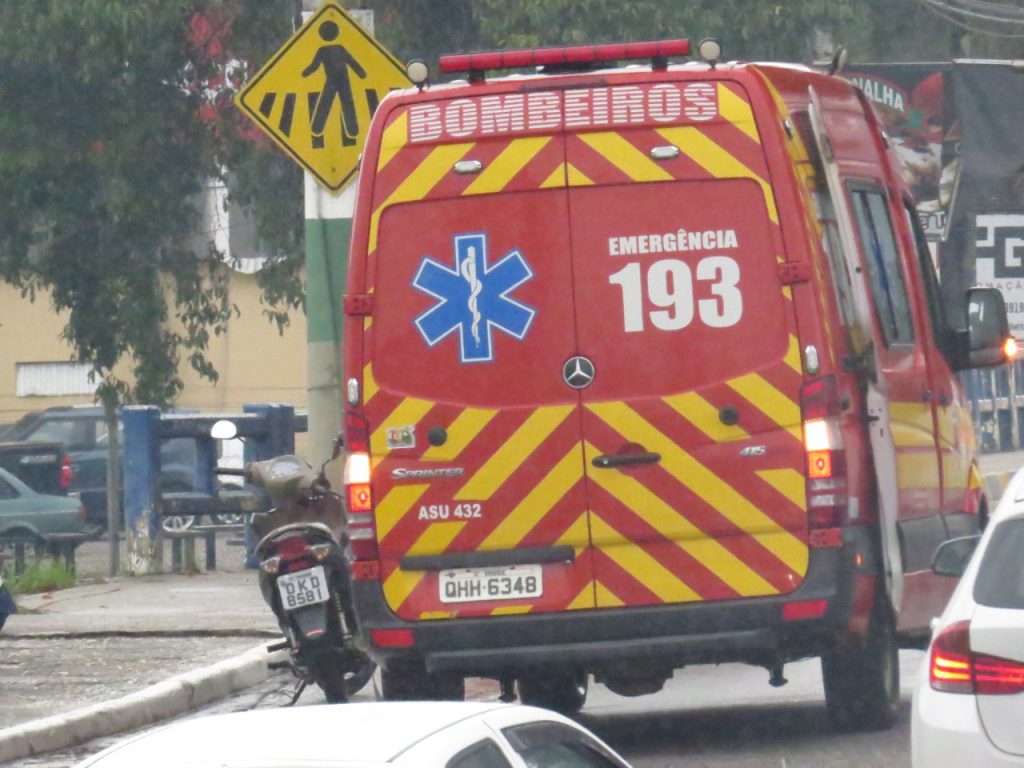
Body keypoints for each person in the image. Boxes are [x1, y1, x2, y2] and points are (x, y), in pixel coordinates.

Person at [302, 19, 367, 148]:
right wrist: (361, 73)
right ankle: (352, 129)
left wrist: (305, 73)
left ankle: (318, 128)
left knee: (327, 103)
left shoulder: (323, 50)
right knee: (346, 103)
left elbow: (314, 66)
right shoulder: (338, 48)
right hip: (341, 79)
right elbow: (352, 61)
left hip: (333, 79)